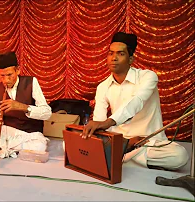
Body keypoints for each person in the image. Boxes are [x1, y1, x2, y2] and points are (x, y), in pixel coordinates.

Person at [81, 32, 188, 170]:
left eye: (120, 54)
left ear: (131, 59)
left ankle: (119, 157)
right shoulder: (103, 87)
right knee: (69, 144)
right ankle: (126, 156)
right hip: (119, 141)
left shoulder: (148, 77)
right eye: (110, 53)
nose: (114, 58)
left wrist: (108, 122)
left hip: (149, 141)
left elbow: (135, 103)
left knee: (180, 156)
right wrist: (115, 138)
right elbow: (99, 121)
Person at [0, 51, 52, 158]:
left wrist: (22, 107)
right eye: (2, 76)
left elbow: (47, 113)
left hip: (29, 135)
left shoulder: (31, 83)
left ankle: (7, 151)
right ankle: (13, 149)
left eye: (9, 75)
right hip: (8, 133)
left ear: (17, 70)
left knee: (39, 146)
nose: (6, 80)